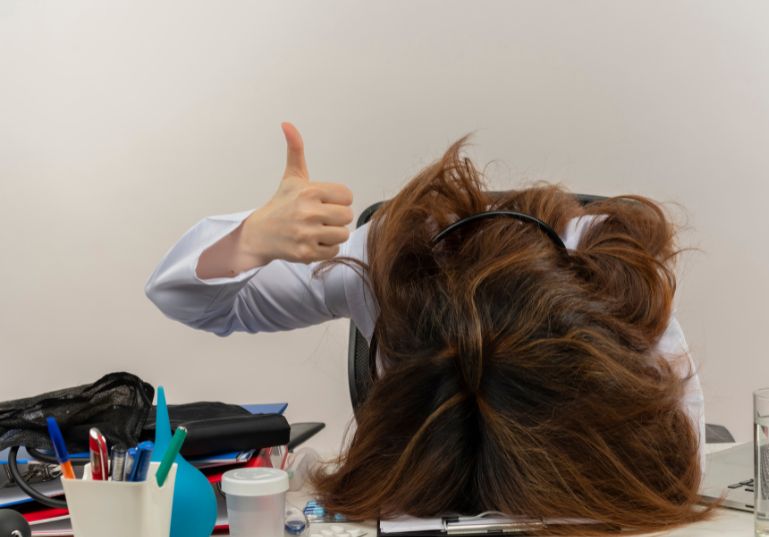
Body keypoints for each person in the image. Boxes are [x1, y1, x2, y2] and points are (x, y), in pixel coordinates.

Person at [146, 123, 711, 534]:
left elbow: (676, 463)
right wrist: (251, 240)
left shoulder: (609, 267)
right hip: (423, 500)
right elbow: (184, 295)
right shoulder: (386, 262)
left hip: (575, 509)